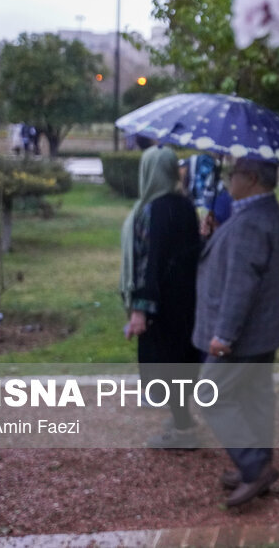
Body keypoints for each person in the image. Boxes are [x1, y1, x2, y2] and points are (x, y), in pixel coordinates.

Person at [193, 157, 279, 507]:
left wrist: (224, 336)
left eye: (232, 175)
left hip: (244, 334)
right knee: (255, 396)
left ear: (250, 178)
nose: (228, 181)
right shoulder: (265, 212)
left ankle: (253, 467)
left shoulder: (251, 220)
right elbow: (242, 260)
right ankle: (259, 463)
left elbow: (240, 284)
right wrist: (217, 235)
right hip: (264, 329)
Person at [119, 145, 202, 448]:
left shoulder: (152, 209)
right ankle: (184, 420)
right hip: (186, 301)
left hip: (159, 303)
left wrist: (140, 309)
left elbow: (150, 261)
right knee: (180, 364)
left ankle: (184, 432)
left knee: (164, 366)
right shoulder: (185, 205)